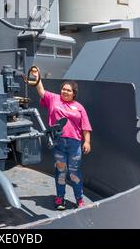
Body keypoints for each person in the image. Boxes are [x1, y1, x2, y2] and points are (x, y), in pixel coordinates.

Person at [25, 67, 92, 211]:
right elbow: (41, 91)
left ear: (74, 93)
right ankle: (60, 198)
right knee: (61, 171)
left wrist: (87, 142)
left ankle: (79, 199)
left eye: (68, 90)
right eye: (63, 89)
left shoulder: (79, 107)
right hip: (58, 142)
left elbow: (85, 126)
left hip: (74, 143)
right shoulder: (54, 99)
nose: (65, 92)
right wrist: (37, 77)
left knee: (74, 172)